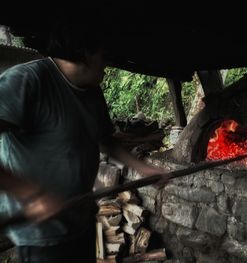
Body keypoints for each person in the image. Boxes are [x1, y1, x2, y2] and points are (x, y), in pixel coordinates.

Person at [0, 13, 165, 263]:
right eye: (103, 55)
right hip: (41, 235)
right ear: (84, 52)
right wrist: (30, 195)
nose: (107, 64)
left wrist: (144, 169)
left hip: (81, 220)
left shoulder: (91, 91)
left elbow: (106, 140)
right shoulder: (27, 81)